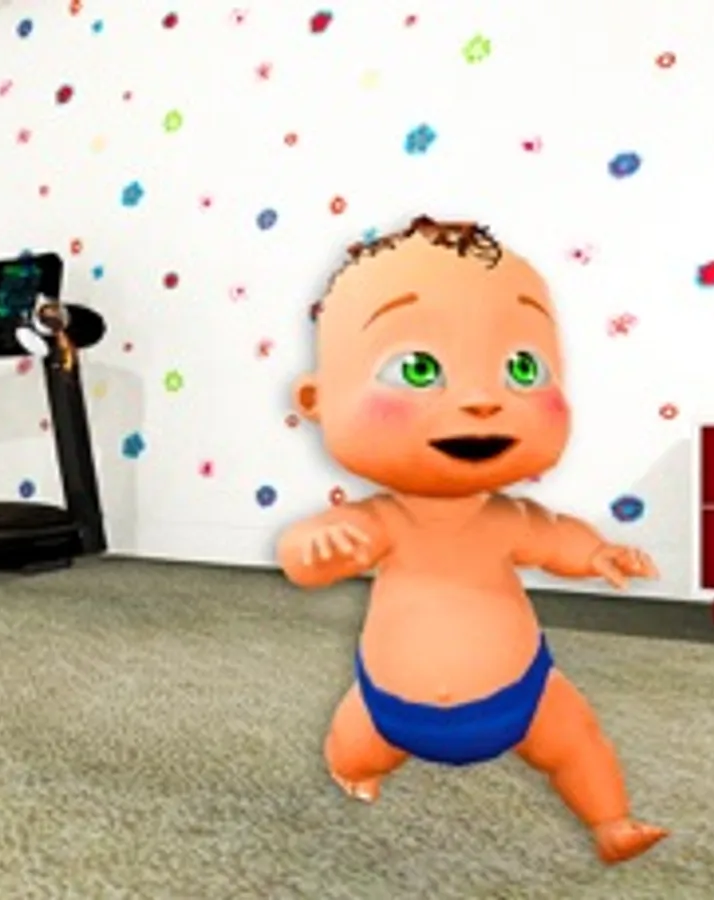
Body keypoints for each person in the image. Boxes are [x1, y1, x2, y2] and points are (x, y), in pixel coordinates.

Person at [277, 216, 668, 864]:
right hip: (388, 710)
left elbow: (557, 541)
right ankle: (355, 769)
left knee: (577, 740)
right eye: (417, 368)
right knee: (353, 746)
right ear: (317, 399)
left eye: (522, 367)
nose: (484, 398)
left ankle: (612, 822)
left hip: (523, 697)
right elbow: (304, 560)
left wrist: (597, 555)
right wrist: (315, 547)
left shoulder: (507, 518)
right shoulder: (381, 521)